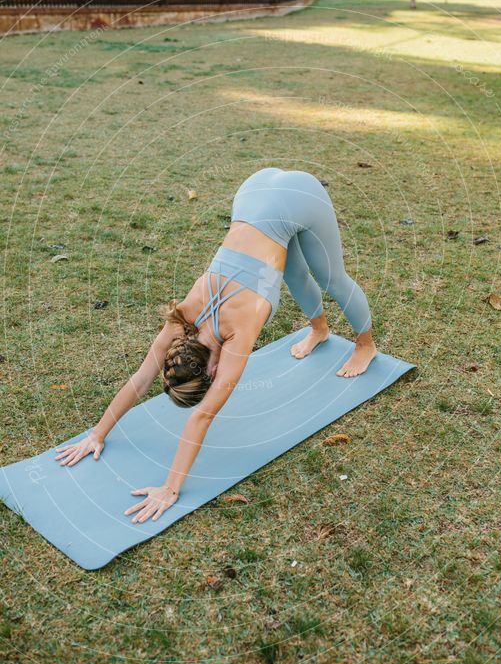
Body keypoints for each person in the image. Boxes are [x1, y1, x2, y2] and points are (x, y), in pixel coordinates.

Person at [54, 168, 377, 523]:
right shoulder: (183, 319)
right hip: (253, 188)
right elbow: (142, 378)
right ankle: (320, 330)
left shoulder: (239, 330)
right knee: (295, 274)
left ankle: (366, 345)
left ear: (211, 367)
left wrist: (170, 488)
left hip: (299, 195)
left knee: (332, 277)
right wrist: (97, 434)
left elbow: (203, 415)